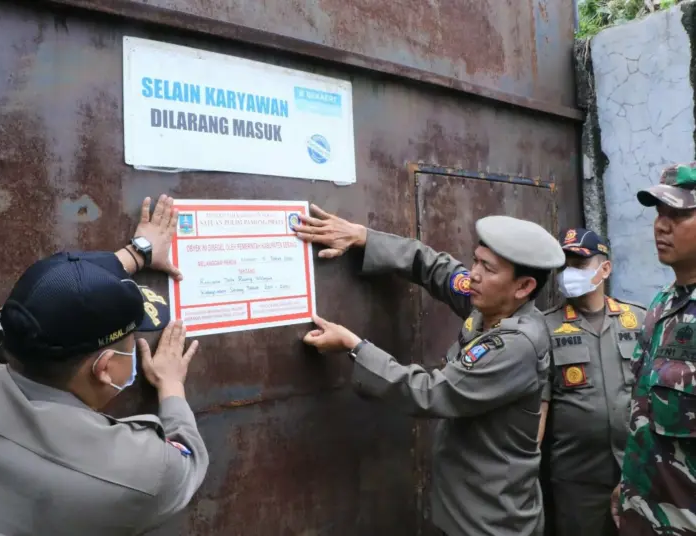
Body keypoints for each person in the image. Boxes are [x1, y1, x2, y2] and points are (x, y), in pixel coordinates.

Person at [292, 206, 565, 536]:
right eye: (476, 260)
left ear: (523, 287)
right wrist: (365, 238)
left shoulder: (516, 343)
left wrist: (355, 347)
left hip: (492, 519)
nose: (474, 274)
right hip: (467, 502)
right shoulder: (492, 303)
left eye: (487, 268)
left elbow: (430, 393)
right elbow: (438, 268)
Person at [0, 195, 209, 536]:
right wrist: (171, 385)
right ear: (105, 367)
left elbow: (34, 305)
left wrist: (136, 253)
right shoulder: (143, 471)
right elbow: (187, 458)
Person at [540, 228, 645, 536]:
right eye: (564, 265)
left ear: (605, 269)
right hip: (577, 482)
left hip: (636, 472)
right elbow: (538, 410)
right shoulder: (545, 327)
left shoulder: (637, 321)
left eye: (578, 263)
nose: (568, 272)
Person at [612, 163, 696, 534]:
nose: (661, 226)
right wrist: (629, 487)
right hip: (645, 513)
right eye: (660, 214)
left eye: (678, 215)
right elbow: (643, 409)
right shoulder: (660, 306)